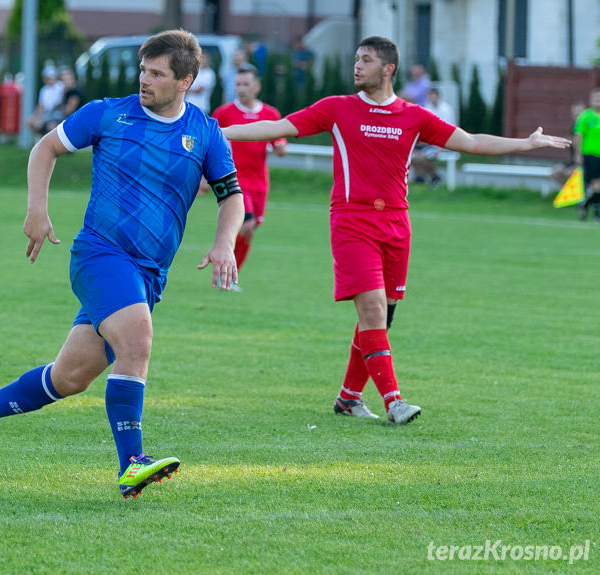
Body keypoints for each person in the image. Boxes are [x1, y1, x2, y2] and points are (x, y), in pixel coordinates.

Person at [0, 29, 245, 498]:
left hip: (148, 274)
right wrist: (36, 208)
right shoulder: (109, 113)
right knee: (138, 339)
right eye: (143, 70)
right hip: (99, 255)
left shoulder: (204, 134)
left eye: (157, 73)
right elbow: (45, 147)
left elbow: (232, 197)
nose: (144, 80)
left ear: (186, 80)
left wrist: (225, 242)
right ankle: (132, 463)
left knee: (69, 377)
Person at [222, 35, 570, 424]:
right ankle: (394, 402)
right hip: (352, 221)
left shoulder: (414, 115)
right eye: (356, 59)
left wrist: (526, 144)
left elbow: (470, 141)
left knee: (382, 318)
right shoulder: (337, 108)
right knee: (371, 310)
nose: (357, 66)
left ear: (388, 69)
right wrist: (222, 132)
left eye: (366, 60)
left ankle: (348, 398)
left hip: (397, 224)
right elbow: (278, 127)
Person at [211, 64, 287, 280]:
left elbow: (278, 140)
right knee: (246, 225)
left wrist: (281, 147)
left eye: (245, 84)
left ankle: (227, 272)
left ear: (256, 86)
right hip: (234, 180)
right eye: (237, 84)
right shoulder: (224, 113)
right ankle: (226, 273)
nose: (241, 88)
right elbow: (212, 143)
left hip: (259, 183)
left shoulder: (270, 113)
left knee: (248, 232)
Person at [411, 87, 457, 186]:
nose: (431, 98)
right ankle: (433, 176)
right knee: (413, 157)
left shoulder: (446, 109)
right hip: (430, 143)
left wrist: (441, 148)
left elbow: (450, 130)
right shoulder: (427, 109)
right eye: (429, 96)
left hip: (445, 144)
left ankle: (432, 177)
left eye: (433, 95)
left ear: (438, 96)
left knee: (422, 157)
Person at [575, 88, 600, 222]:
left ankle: (585, 205)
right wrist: (578, 154)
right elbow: (578, 136)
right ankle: (597, 213)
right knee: (596, 185)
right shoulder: (586, 116)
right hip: (591, 155)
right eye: (596, 98)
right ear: (591, 100)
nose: (598, 101)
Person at [40, 66, 85, 134]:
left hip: (76, 122)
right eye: (63, 80)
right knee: (44, 123)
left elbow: (68, 111)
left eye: (67, 79)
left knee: (50, 126)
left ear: (72, 79)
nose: (65, 82)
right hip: (69, 120)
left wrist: (56, 112)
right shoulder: (67, 92)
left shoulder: (75, 92)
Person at [26, 64, 65, 137]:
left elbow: (60, 103)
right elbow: (41, 106)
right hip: (47, 114)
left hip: (56, 113)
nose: (48, 80)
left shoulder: (61, 86)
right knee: (30, 122)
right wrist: (36, 115)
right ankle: (42, 139)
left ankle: (46, 141)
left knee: (48, 125)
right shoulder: (44, 90)